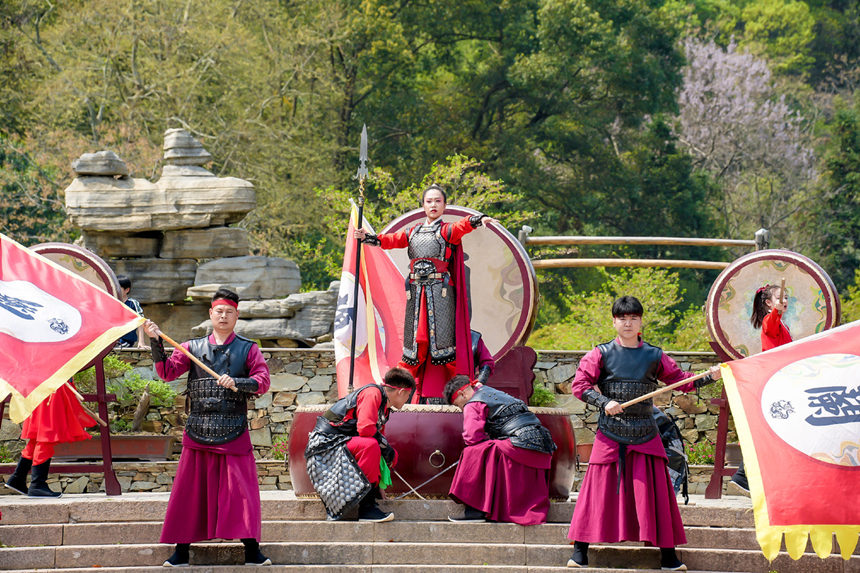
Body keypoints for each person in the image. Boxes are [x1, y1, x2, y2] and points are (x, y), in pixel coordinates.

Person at [566, 296, 721, 571]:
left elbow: (680, 381)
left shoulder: (654, 355)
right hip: (610, 432)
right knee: (595, 492)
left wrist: (710, 376)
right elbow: (580, 385)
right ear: (614, 321)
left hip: (646, 433)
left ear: (640, 322)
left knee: (657, 494)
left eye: (633, 318)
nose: (628, 323)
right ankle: (579, 554)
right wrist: (604, 402)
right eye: (622, 318)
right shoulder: (599, 354)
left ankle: (669, 558)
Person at [143, 287, 271, 567]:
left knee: (242, 493)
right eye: (219, 311)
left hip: (233, 430)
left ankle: (251, 550)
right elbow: (167, 372)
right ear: (211, 314)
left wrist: (239, 382)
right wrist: (155, 341)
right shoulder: (191, 347)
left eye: (229, 312)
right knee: (190, 493)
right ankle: (181, 551)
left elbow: (263, 381)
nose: (224, 316)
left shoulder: (248, 349)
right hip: (198, 429)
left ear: (237, 315)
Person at [354, 184, 495, 401]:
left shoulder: (447, 231)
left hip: (440, 295)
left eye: (438, 201)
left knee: (444, 347)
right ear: (423, 205)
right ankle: (392, 393)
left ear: (444, 205)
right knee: (414, 347)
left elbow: (463, 225)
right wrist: (369, 238)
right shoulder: (413, 232)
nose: (433, 205)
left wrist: (479, 219)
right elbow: (391, 239)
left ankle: (463, 394)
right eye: (429, 201)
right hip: (416, 295)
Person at [305, 368, 415, 522]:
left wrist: (378, 486)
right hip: (324, 447)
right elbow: (365, 429)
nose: (408, 400)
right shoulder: (372, 393)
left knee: (381, 449)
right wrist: (387, 448)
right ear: (401, 392)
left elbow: (377, 442)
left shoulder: (385, 408)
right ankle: (366, 508)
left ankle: (370, 499)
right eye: (409, 395)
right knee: (371, 445)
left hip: (340, 445)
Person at [444, 375, 555, 525]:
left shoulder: (473, 402)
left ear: (462, 394)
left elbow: (472, 437)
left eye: (460, 406)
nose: (462, 409)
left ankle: (475, 510)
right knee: (490, 447)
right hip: (543, 447)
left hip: (520, 448)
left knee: (473, 452)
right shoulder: (493, 392)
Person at [731, 283, 793, 492]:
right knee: (769, 429)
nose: (784, 301)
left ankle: (749, 477)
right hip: (774, 381)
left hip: (780, 380)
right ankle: (743, 476)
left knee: (774, 429)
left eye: (786, 298)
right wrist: (776, 312)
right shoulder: (770, 320)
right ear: (768, 303)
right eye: (780, 298)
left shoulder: (781, 323)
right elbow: (772, 321)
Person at [4, 380, 96, 497]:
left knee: (38, 437)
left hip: (39, 388)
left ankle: (18, 478)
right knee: (46, 435)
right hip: (51, 389)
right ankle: (37, 484)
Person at [116, 274, 146, 348]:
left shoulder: (132, 303)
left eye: (118, 288)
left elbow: (140, 321)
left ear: (127, 290)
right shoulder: (112, 302)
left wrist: (141, 342)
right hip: (112, 339)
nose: (116, 290)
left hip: (125, 340)